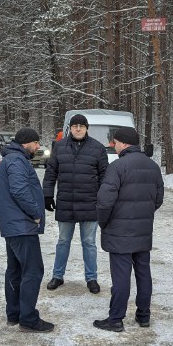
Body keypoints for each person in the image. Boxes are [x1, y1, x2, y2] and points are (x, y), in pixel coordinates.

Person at [93, 127, 164, 332]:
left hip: (119, 231)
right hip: (142, 230)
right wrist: (142, 215)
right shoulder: (153, 166)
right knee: (143, 273)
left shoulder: (117, 166)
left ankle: (115, 319)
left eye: (114, 142)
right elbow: (158, 199)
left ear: (123, 143)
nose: (113, 146)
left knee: (121, 276)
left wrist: (104, 222)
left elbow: (104, 202)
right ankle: (143, 315)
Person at [0, 127, 54, 333]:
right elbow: (19, 190)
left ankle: (14, 313)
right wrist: (36, 213)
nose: (38, 146)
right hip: (22, 226)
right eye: (35, 143)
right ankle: (28, 318)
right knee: (33, 270)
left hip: (14, 226)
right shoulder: (16, 161)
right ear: (26, 143)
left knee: (16, 270)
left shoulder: (12, 159)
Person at [43, 113, 109, 294]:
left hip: (90, 203)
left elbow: (105, 176)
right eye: (74, 126)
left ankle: (91, 278)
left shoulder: (97, 148)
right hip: (66, 202)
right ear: (70, 128)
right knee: (63, 241)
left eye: (81, 126)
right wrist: (47, 195)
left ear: (87, 128)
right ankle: (57, 275)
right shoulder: (59, 146)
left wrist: (103, 199)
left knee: (89, 243)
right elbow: (51, 172)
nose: (78, 129)